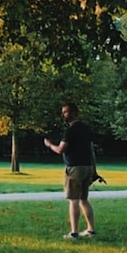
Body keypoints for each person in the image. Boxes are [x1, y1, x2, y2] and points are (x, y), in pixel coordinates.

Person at [43, 102, 97, 240]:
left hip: (75, 169)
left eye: (66, 112)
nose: (63, 115)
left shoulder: (70, 131)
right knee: (84, 200)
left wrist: (49, 145)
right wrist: (94, 170)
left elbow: (60, 150)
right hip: (87, 167)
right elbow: (91, 150)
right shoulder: (85, 129)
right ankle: (91, 230)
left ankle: (74, 233)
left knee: (73, 200)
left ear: (74, 113)